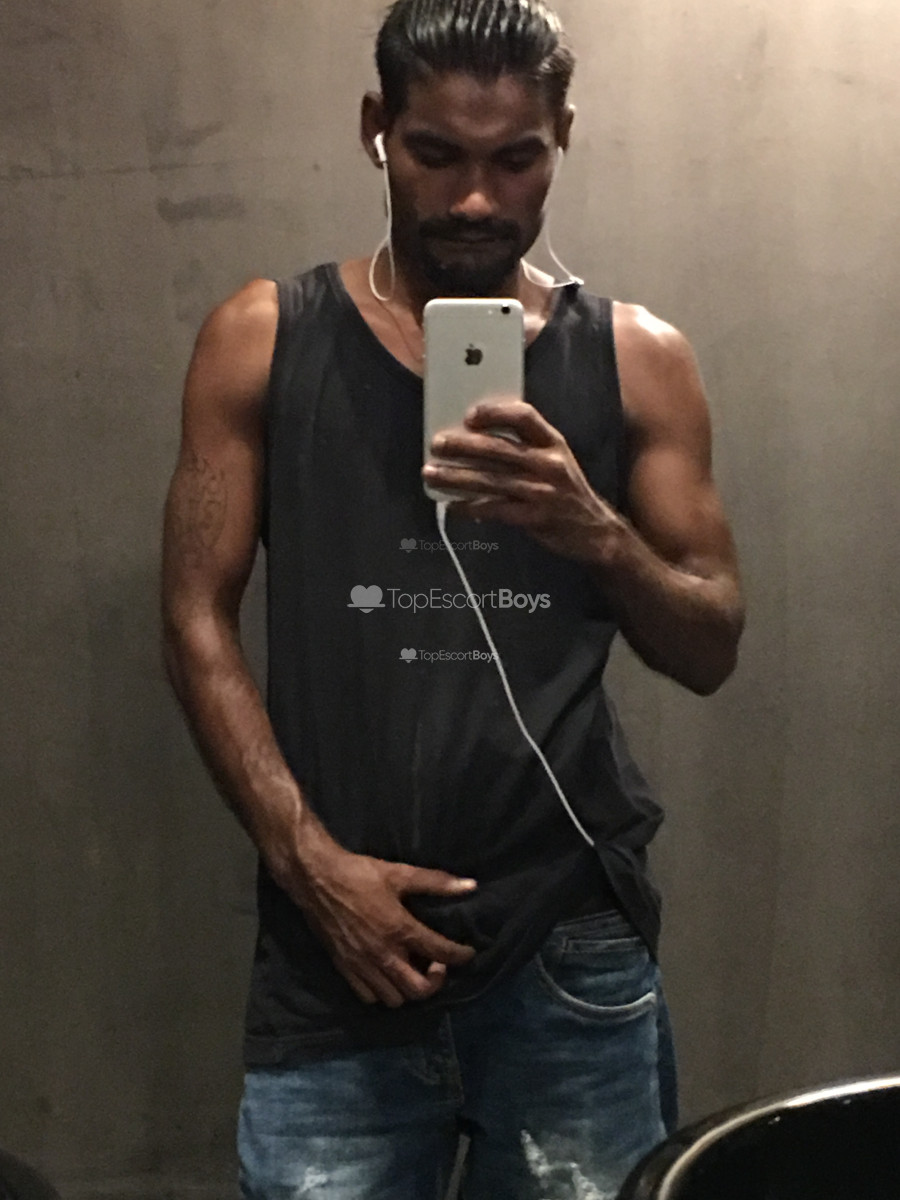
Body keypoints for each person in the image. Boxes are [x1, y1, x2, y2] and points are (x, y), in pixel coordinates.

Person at [161, 1, 745, 1196]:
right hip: (336, 949)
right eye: (437, 154)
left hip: (566, 941)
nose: (477, 199)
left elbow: (710, 642)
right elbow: (194, 616)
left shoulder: (638, 359)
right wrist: (311, 868)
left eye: (515, 158)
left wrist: (593, 531)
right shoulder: (262, 339)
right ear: (375, 129)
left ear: (561, 137)